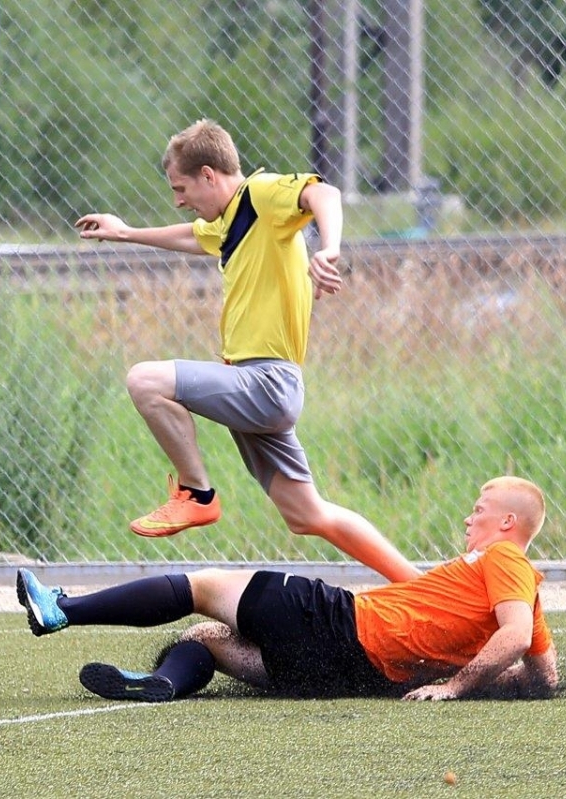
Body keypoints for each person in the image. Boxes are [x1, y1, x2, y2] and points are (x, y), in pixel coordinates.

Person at [75, 119, 418, 582]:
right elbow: (194, 236)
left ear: (209, 175)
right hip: (256, 384)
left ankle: (197, 494)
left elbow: (325, 194)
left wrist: (329, 249)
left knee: (145, 380)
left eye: (181, 188)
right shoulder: (233, 219)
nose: (179, 200)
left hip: (266, 384)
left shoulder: (261, 194)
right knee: (308, 515)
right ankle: (424, 589)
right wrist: (125, 232)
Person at [16, 476, 558, 703]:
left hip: (343, 624)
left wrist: (456, 685)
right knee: (205, 637)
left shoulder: (505, 559)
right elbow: (543, 677)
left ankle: (62, 608)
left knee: (206, 586)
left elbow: (512, 635)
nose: (469, 518)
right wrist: (467, 675)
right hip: (348, 675)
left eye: (479, 510)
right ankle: (162, 683)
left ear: (508, 522)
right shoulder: (521, 591)